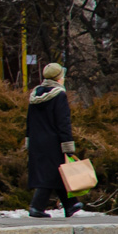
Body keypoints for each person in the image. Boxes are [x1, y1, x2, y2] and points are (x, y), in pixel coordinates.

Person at [27, 62, 82, 218]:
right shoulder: (59, 95)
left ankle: (70, 205)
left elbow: (29, 120)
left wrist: (28, 139)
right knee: (53, 174)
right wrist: (68, 145)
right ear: (59, 78)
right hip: (53, 142)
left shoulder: (35, 94)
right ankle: (36, 207)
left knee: (56, 173)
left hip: (37, 141)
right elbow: (63, 122)